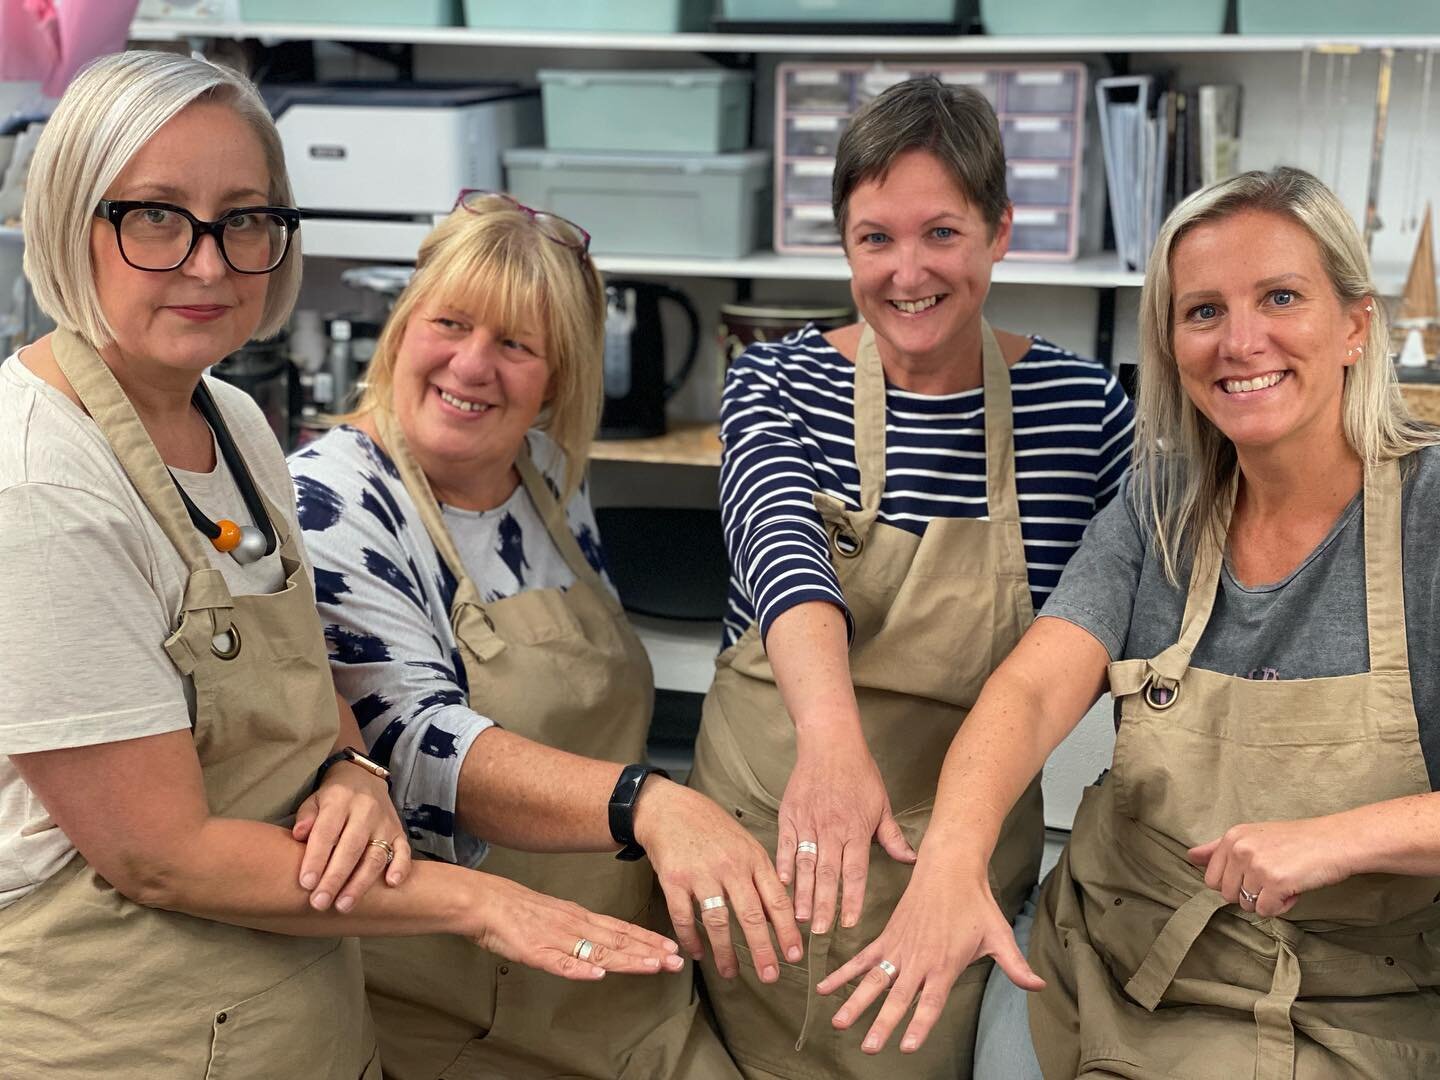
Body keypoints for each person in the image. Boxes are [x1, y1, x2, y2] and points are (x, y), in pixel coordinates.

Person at [0, 51, 680, 1080]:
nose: (210, 265)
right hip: (139, 1038)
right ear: (64, 218)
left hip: (303, 1017)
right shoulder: (44, 490)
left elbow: (307, 690)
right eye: (153, 216)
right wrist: (483, 902)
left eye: (245, 221)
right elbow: (160, 853)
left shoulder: (231, 421)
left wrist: (350, 771)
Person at [818, 166, 1440, 1078]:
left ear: (1354, 325)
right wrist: (952, 858)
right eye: (1201, 313)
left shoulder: (1428, 516)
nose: (1240, 341)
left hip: (1337, 992)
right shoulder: (1161, 505)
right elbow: (1033, 690)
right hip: (1104, 943)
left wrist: (1340, 837)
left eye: (1281, 297)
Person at [289, 194, 802, 1080]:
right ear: (405, 324)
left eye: (517, 345)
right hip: (456, 1005)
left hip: (620, 980)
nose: (473, 365)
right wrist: (652, 803)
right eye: (449, 323)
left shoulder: (546, 473)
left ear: (558, 377)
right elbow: (411, 746)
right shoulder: (333, 498)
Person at [686, 75, 1135, 1078]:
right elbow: (783, 558)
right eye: (874, 238)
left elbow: (1124, 624)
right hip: (776, 834)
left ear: (999, 232)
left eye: (941, 232)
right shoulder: (776, 380)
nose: (907, 271)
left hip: (959, 862)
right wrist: (832, 747)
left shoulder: (1083, 409)